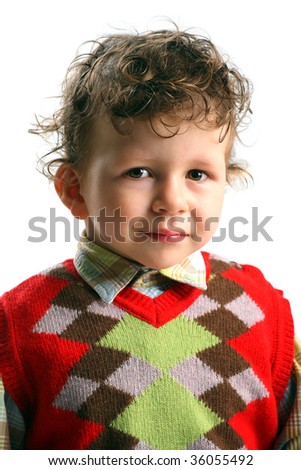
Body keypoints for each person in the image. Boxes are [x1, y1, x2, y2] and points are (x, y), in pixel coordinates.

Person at [0, 27, 300, 451]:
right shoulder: (17, 326)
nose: (172, 201)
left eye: (198, 174)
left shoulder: (261, 311)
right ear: (74, 188)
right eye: (139, 172)